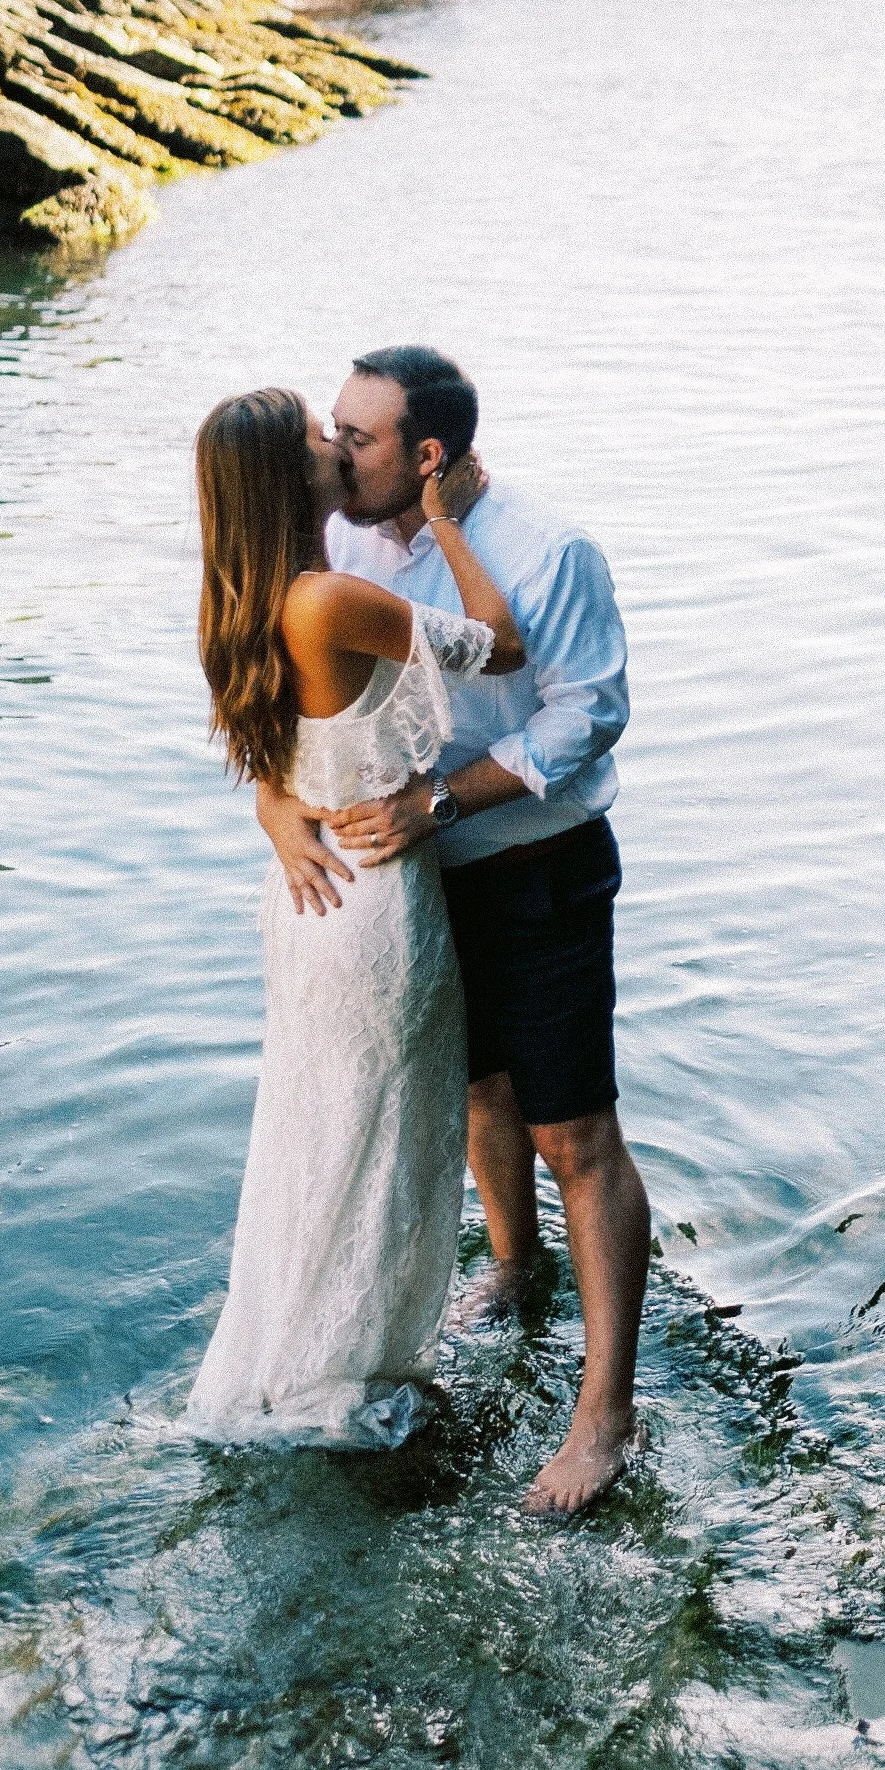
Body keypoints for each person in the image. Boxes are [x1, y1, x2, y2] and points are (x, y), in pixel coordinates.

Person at [258, 346, 651, 1515]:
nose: (334, 449)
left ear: (427, 454)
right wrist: (282, 810)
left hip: (537, 872)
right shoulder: (337, 541)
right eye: (331, 428)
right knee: (481, 1096)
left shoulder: (547, 547)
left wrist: (441, 801)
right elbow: (261, 699)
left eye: (357, 436)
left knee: (574, 1133)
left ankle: (604, 1416)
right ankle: (515, 1268)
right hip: (416, 898)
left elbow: (593, 713)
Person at [185, 385, 524, 1448]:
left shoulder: (240, 598)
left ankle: (305, 1345)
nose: (337, 445)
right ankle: (349, 1367)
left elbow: (279, 759)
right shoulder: (329, 600)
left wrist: (272, 806)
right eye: (317, 440)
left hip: (308, 895)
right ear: (294, 478)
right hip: (373, 902)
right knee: (379, 1142)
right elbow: (500, 644)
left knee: (319, 1130)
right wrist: (448, 523)